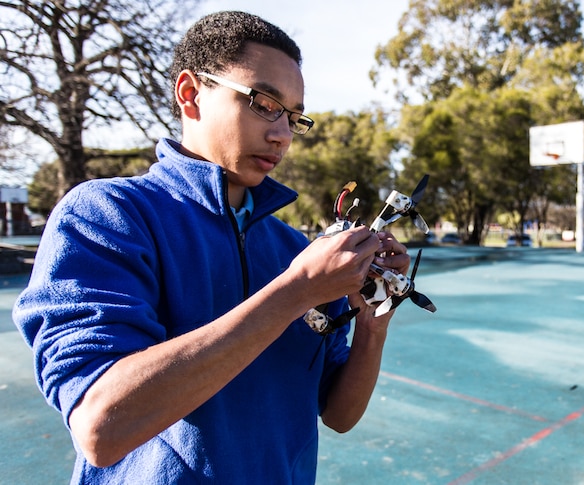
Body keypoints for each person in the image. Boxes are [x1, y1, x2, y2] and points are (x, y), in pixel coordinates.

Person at [13, 11, 410, 483]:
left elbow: (339, 414)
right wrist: (297, 290)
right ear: (190, 93)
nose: (282, 133)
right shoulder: (108, 214)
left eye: (294, 117)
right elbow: (101, 428)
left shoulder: (294, 248)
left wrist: (373, 322)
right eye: (263, 102)